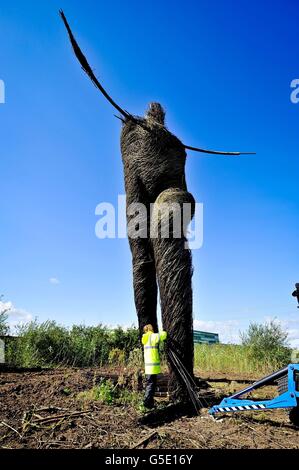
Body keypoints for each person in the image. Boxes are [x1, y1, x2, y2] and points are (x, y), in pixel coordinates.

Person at [142, 324, 167, 409]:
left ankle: (150, 403)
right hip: (153, 366)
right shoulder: (152, 336)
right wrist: (164, 329)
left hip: (148, 366)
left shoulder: (145, 338)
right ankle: (146, 402)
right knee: (151, 384)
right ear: (150, 329)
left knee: (150, 383)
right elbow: (163, 335)